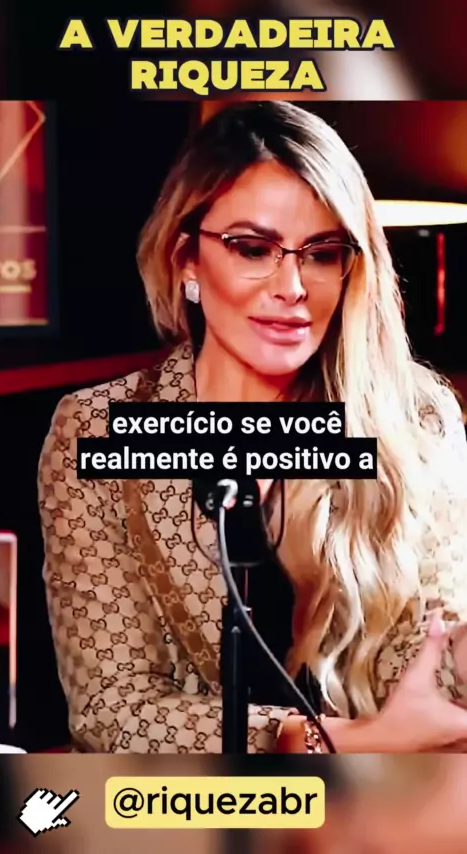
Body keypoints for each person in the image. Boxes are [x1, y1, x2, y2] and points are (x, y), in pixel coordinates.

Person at [38, 101, 467, 754]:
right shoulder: (96, 430)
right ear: (186, 258)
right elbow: (113, 710)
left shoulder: (416, 418)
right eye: (253, 248)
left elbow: (425, 658)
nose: (292, 286)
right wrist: (328, 741)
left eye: (322, 253)